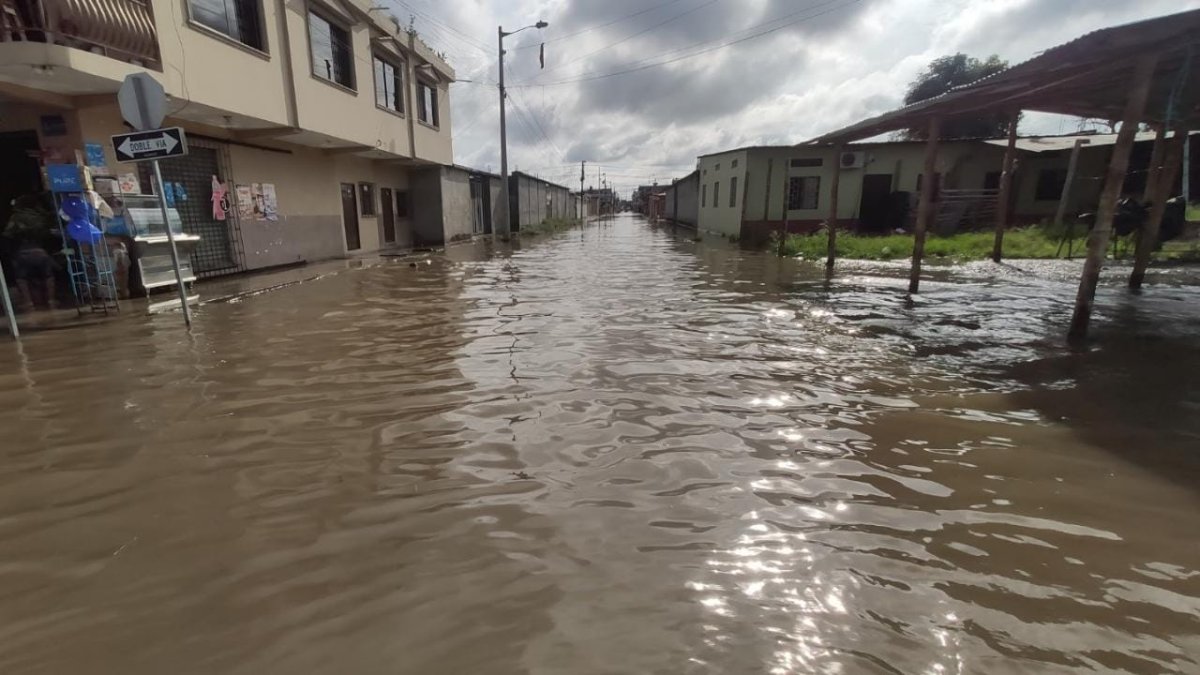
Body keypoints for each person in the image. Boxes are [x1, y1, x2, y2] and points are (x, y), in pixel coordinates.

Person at [3, 195, 57, 310]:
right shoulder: (41, 216)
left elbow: (7, 234)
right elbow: (50, 232)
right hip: (41, 252)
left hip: (23, 252)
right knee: (48, 276)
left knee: (21, 278)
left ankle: (29, 302)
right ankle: (51, 300)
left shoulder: (16, 217)